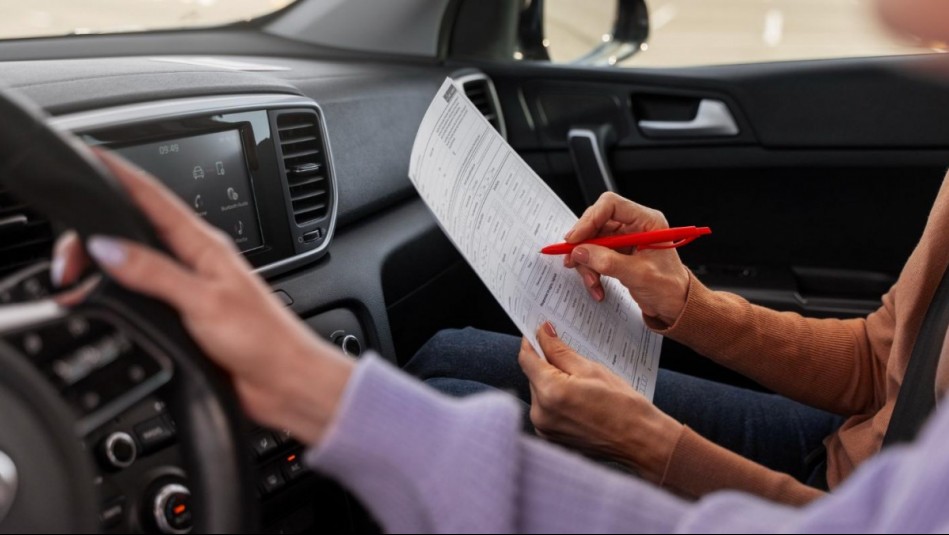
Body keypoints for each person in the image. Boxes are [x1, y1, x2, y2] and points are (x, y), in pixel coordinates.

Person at [51, 0, 949, 529]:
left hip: (844, 503)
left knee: (441, 406)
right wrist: (686, 304)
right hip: (852, 461)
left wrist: (645, 444)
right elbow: (882, 358)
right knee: (450, 355)